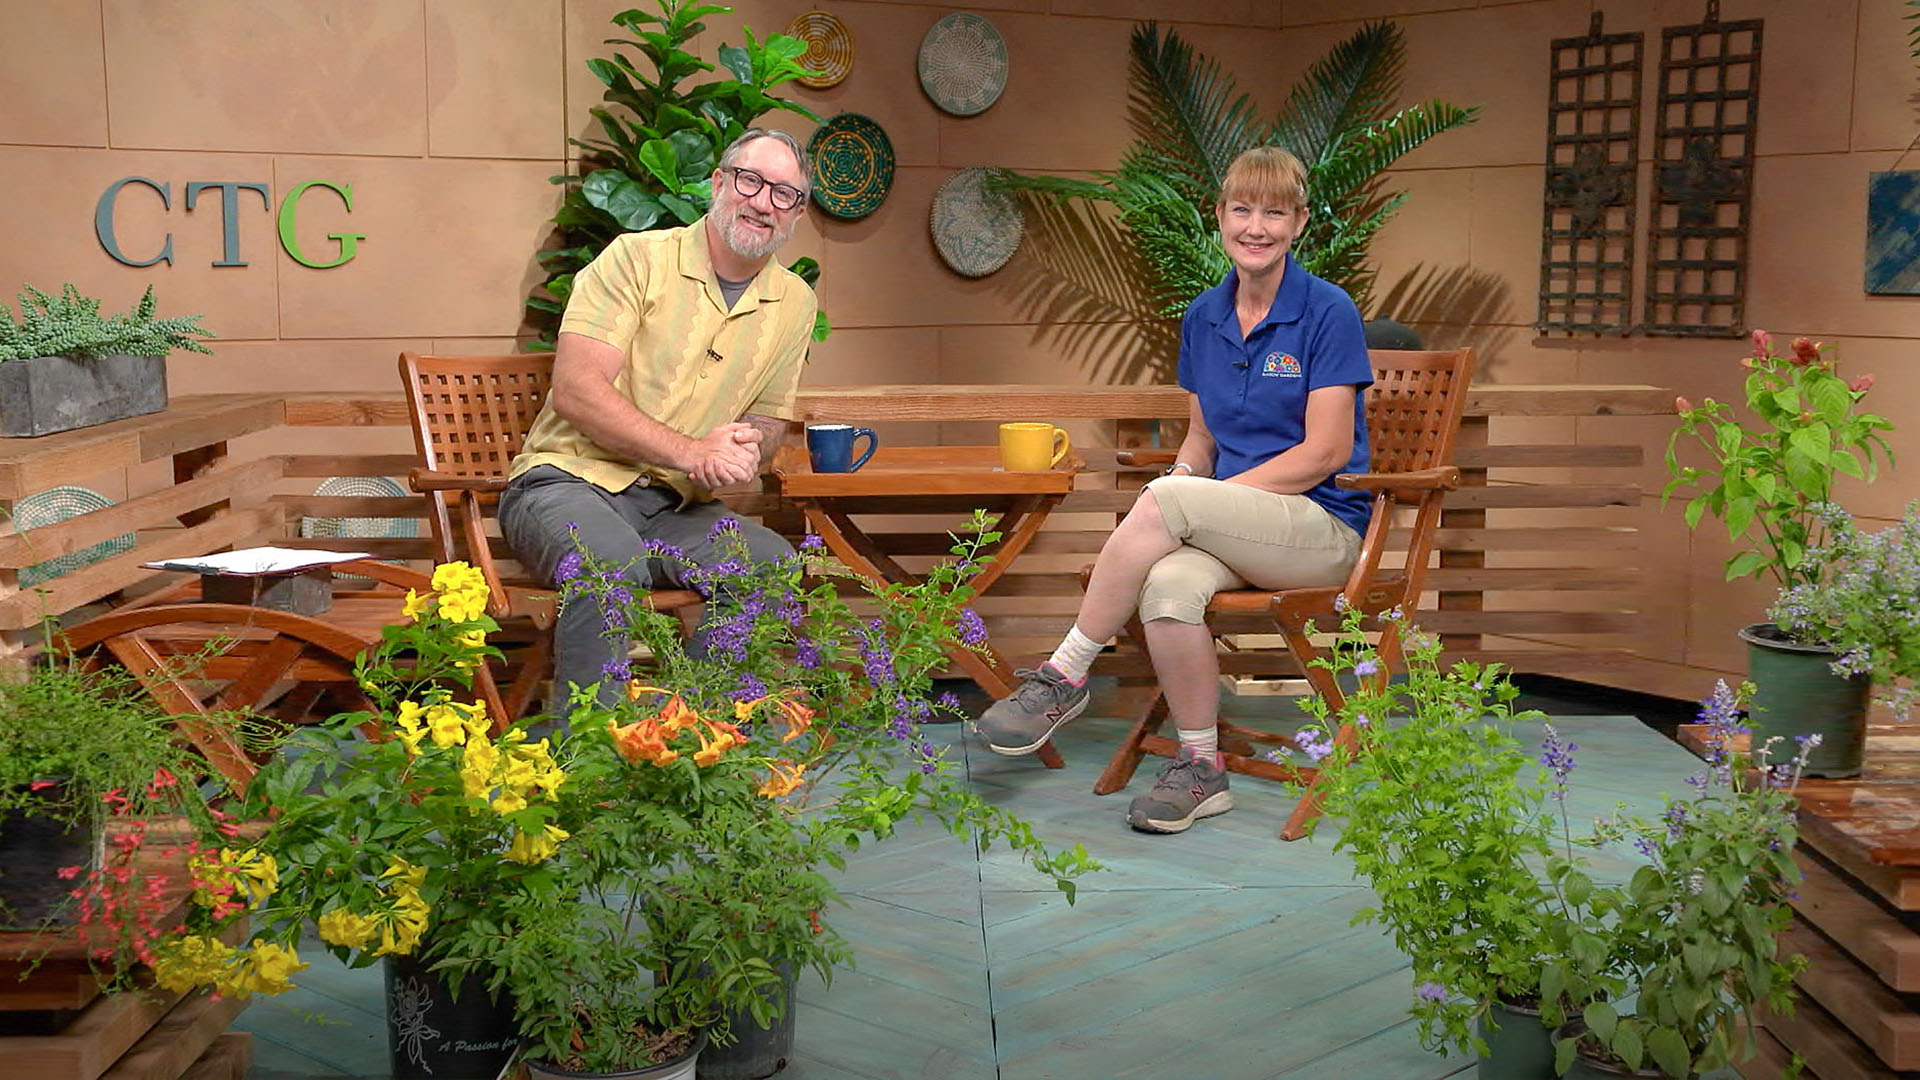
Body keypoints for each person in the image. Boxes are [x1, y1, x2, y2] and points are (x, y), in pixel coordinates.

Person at [974, 146, 1374, 834]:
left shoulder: (1327, 311)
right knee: (1166, 591)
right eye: (1242, 209)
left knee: (1169, 501)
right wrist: (1191, 484)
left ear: (1300, 223)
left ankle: (1064, 675)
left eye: (1275, 212)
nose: (1257, 226)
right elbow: (1202, 441)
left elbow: (1325, 452)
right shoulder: (1203, 316)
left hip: (1319, 530)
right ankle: (1201, 768)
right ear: (1218, 216)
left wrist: (1198, 502)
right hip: (1235, 526)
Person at [500, 128, 818, 710]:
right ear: (720, 184)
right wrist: (693, 452)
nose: (763, 203)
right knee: (609, 566)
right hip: (566, 484)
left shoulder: (796, 302)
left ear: (797, 213)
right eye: (751, 181)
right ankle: (589, 771)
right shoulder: (636, 259)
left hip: (673, 510)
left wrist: (748, 444)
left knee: (769, 568)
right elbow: (576, 391)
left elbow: (770, 421)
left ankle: (680, 741)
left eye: (785, 195)